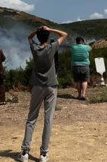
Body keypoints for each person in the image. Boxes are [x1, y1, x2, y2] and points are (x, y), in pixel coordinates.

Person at [19, 26, 68, 162]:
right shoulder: (52, 48)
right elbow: (64, 34)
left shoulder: (35, 48)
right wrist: (49, 28)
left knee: (31, 118)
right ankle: (44, 154)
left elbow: (29, 37)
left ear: (38, 37)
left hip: (37, 86)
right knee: (48, 119)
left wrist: (37, 30)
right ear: (48, 37)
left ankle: (25, 152)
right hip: (51, 85)